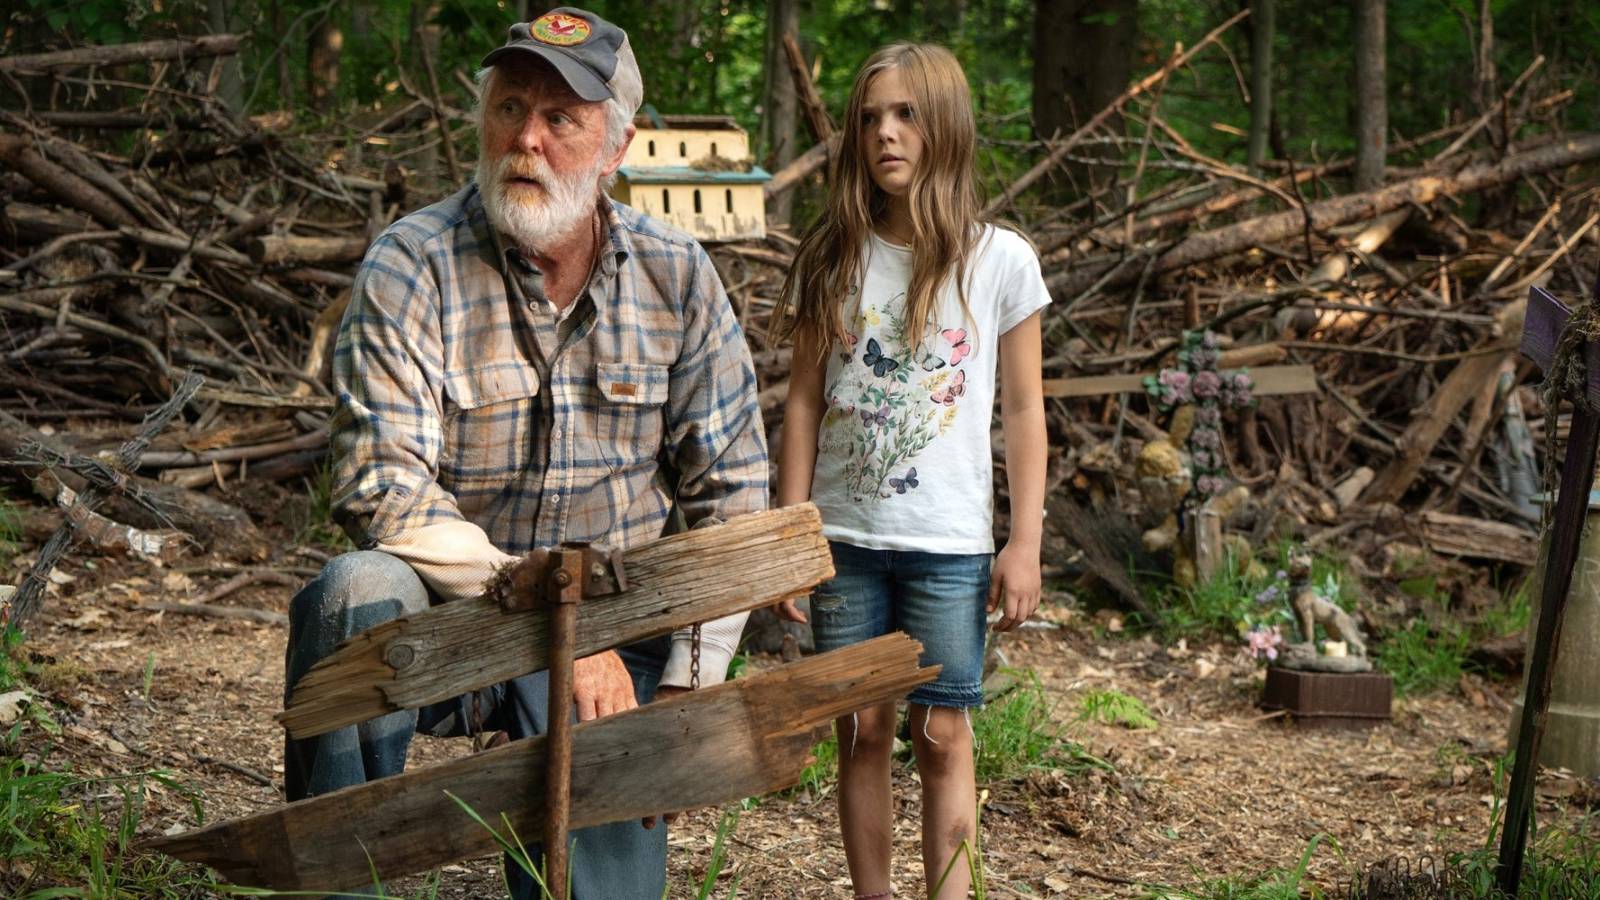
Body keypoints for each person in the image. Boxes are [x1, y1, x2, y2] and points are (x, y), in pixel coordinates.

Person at [283, 7, 767, 899]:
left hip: (615, 639)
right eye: (511, 108)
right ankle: (338, 878)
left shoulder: (678, 274)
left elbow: (733, 491)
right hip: (454, 613)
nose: (527, 140)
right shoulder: (412, 263)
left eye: (561, 120)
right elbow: (378, 481)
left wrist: (688, 689)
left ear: (615, 147)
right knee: (354, 589)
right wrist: (547, 617)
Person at [770, 42, 1049, 900]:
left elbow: (1027, 412)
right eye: (869, 119)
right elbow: (806, 401)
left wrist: (1024, 541)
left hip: (948, 545)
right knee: (862, 731)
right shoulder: (836, 256)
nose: (884, 133)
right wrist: (791, 535)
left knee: (943, 734)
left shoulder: (1000, 260)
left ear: (946, 126)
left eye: (905, 114)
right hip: (846, 541)